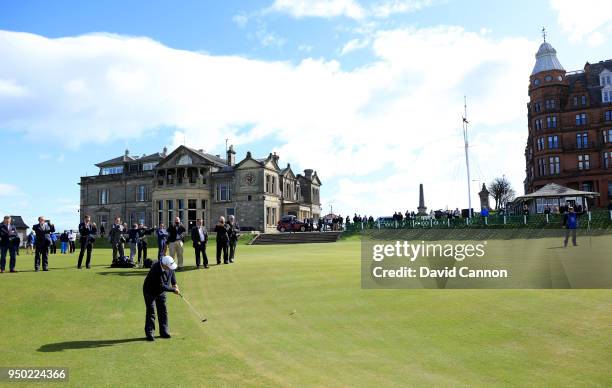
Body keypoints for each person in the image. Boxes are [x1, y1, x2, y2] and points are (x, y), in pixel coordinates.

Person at [142, 255, 179, 341]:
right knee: (151, 311)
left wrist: (175, 284)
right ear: (164, 265)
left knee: (163, 310)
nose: (170, 268)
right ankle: (150, 333)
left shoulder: (169, 266)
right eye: (169, 267)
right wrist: (173, 290)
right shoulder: (155, 269)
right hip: (150, 291)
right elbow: (161, 286)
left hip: (161, 292)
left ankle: (164, 331)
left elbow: (172, 272)